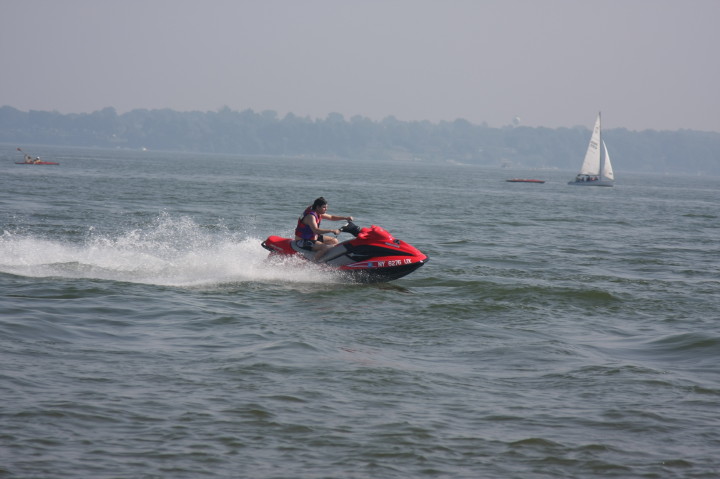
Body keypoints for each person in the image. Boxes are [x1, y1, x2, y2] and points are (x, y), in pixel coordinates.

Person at [295, 197, 353, 262]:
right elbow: (316, 230)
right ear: (317, 207)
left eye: (326, 207)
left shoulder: (318, 211)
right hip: (302, 240)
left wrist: (346, 218)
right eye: (324, 207)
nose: (326, 209)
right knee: (325, 247)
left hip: (313, 236)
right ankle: (312, 263)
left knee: (335, 241)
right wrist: (332, 230)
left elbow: (331, 217)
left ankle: (328, 259)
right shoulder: (310, 216)